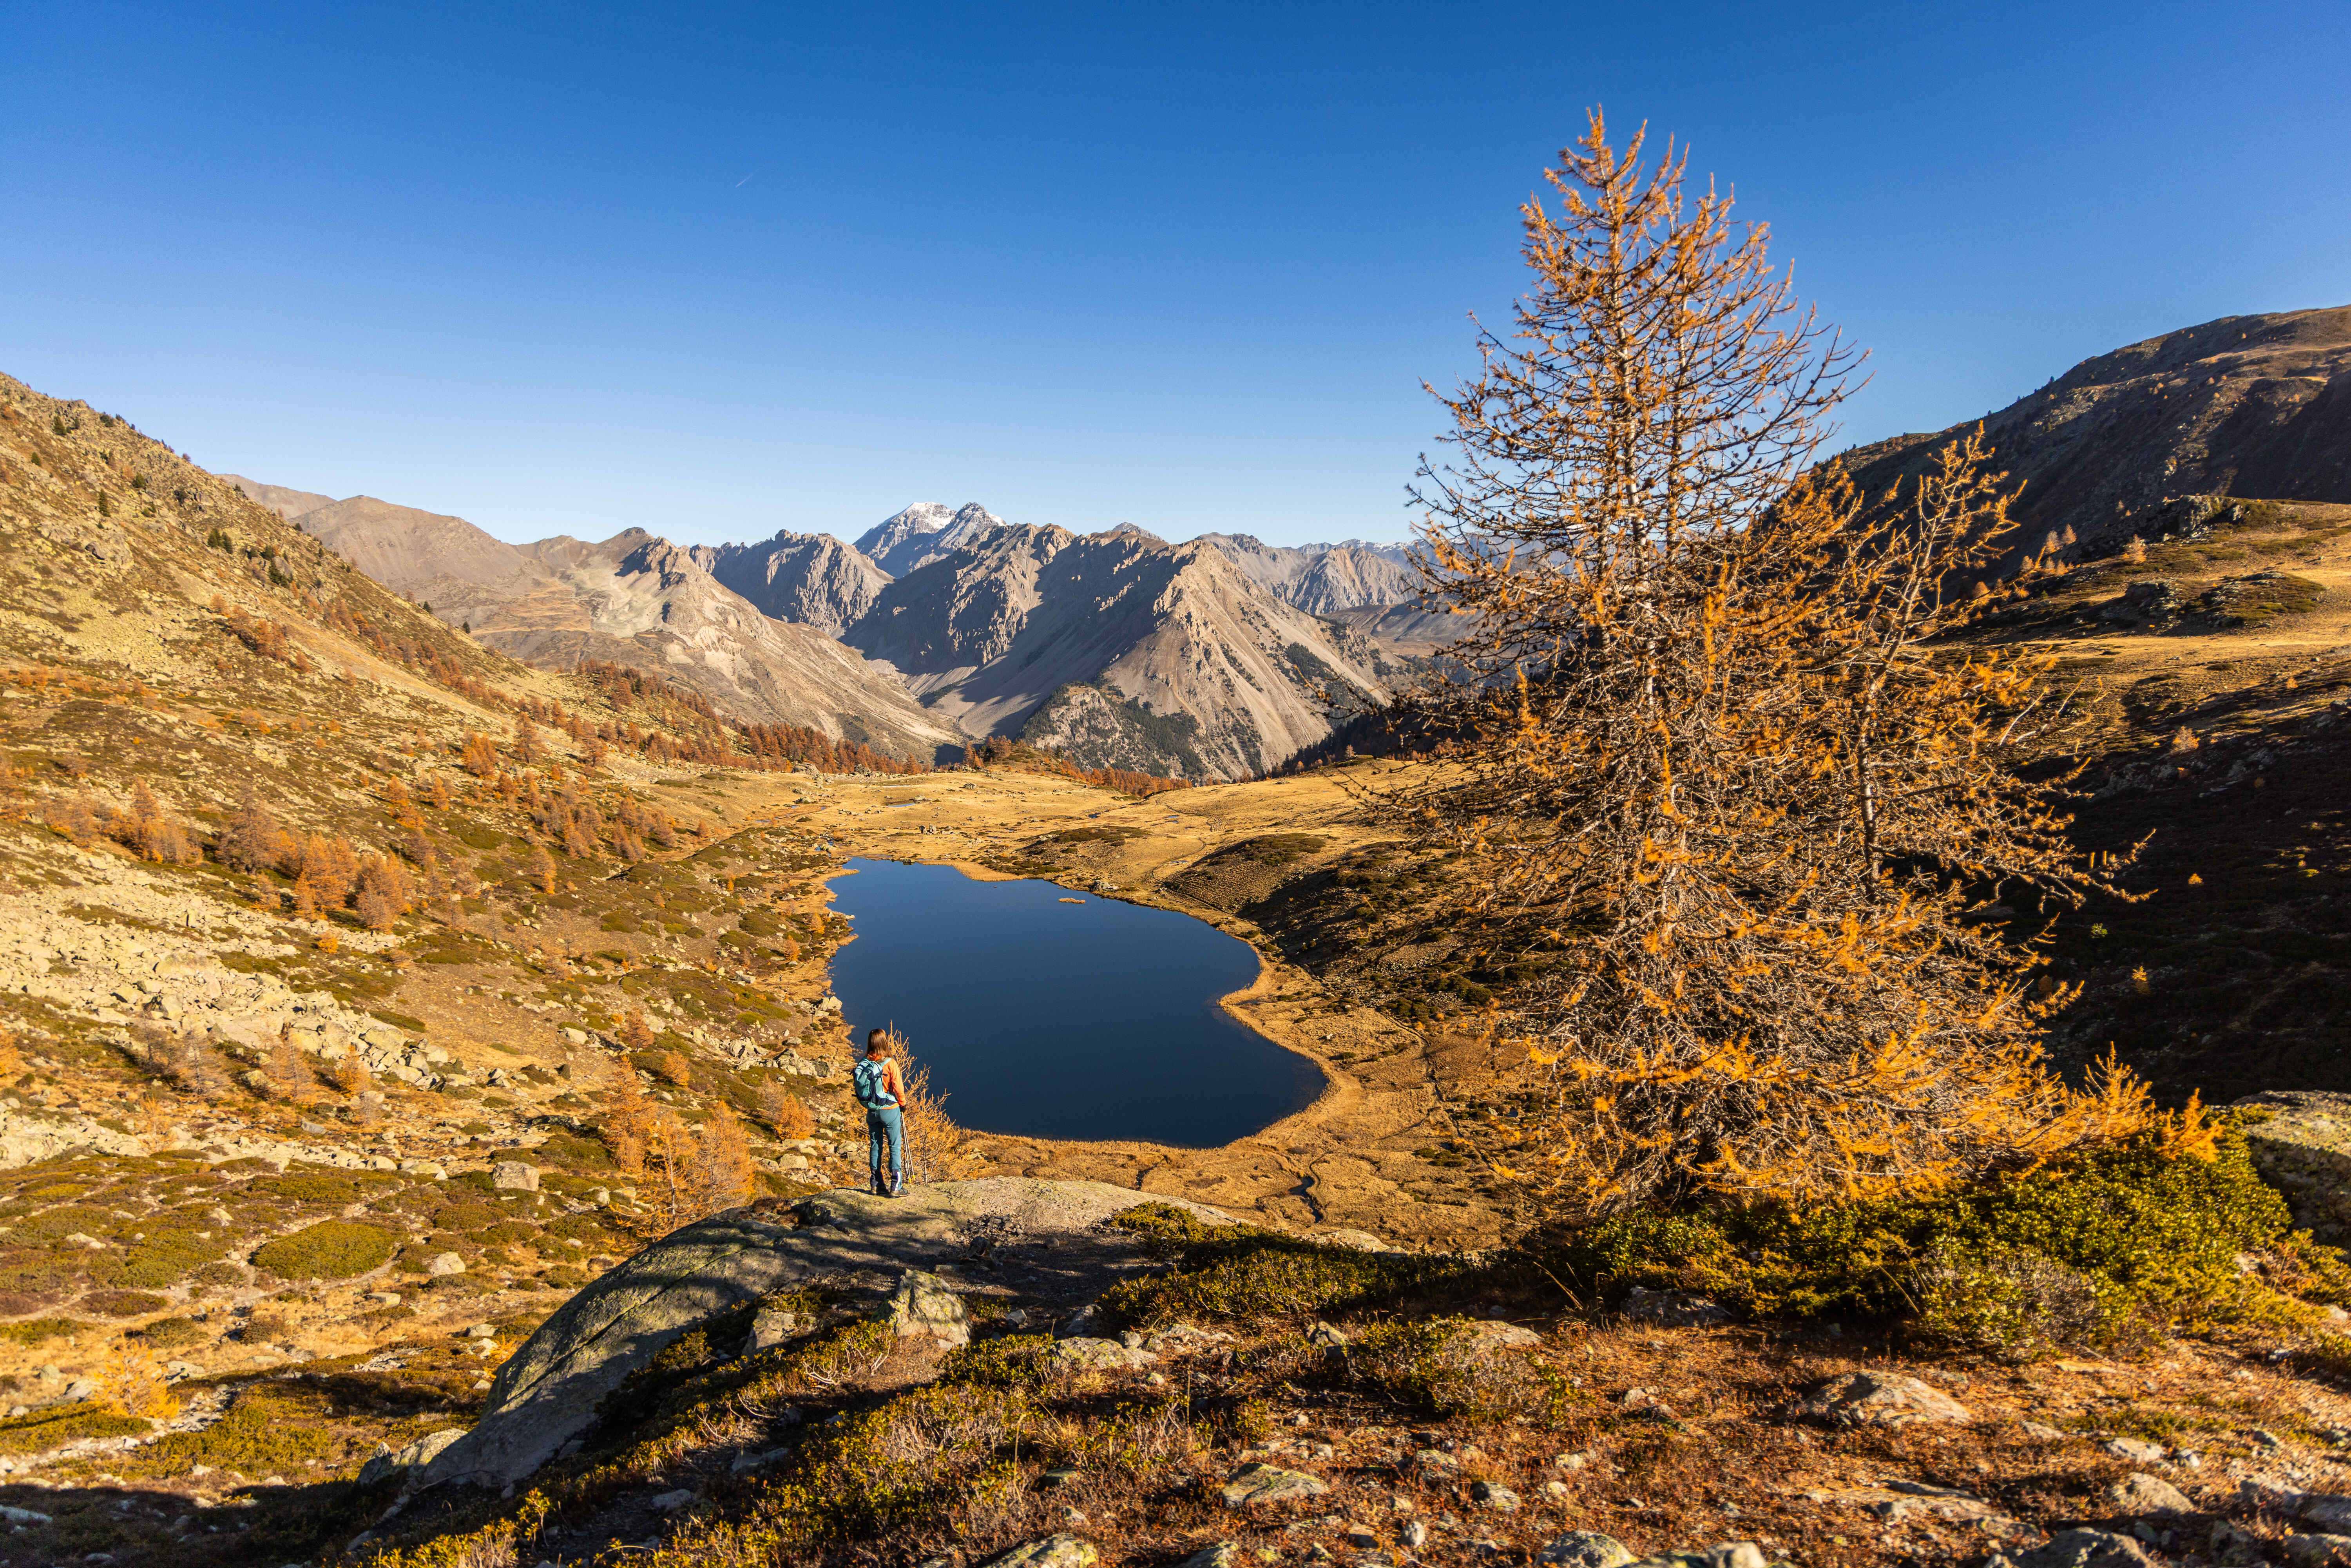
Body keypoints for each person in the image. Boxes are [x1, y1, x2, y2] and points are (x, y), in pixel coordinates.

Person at [852, 1027, 907, 1197]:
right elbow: (898, 1088)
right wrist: (903, 1104)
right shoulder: (890, 1063)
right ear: (884, 1042)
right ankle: (895, 1187)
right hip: (889, 1111)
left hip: (872, 1111)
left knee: (876, 1146)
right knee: (894, 1146)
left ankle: (876, 1185)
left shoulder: (865, 1061)